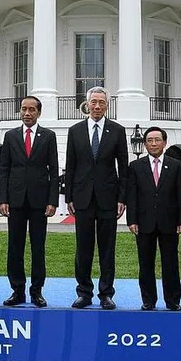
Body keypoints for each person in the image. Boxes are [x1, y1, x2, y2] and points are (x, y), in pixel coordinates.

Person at [64, 86, 128, 309]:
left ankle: (106, 293)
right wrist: (68, 196)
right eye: (94, 102)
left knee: (107, 248)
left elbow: (124, 167)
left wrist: (122, 198)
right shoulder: (75, 131)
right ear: (87, 104)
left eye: (102, 102)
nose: (97, 106)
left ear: (107, 105)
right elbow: (70, 166)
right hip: (82, 198)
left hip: (108, 198)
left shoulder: (117, 131)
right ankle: (84, 292)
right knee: (83, 248)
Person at [0, 95, 59, 308]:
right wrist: (2, 198)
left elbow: (54, 170)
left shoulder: (48, 136)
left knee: (38, 247)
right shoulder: (11, 136)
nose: (27, 113)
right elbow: (3, 168)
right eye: (24, 109)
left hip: (39, 202)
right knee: (15, 247)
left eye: (31, 109)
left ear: (38, 113)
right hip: (14, 200)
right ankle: (17, 290)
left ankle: (36, 291)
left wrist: (53, 201)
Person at [126, 126, 181, 311]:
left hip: (169, 222)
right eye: (150, 140)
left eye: (157, 140)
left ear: (164, 143)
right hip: (144, 222)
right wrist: (132, 220)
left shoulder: (176, 165)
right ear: (145, 144)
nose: (153, 143)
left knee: (170, 263)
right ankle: (148, 300)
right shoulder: (136, 166)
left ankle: (173, 300)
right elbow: (132, 195)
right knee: (145, 264)